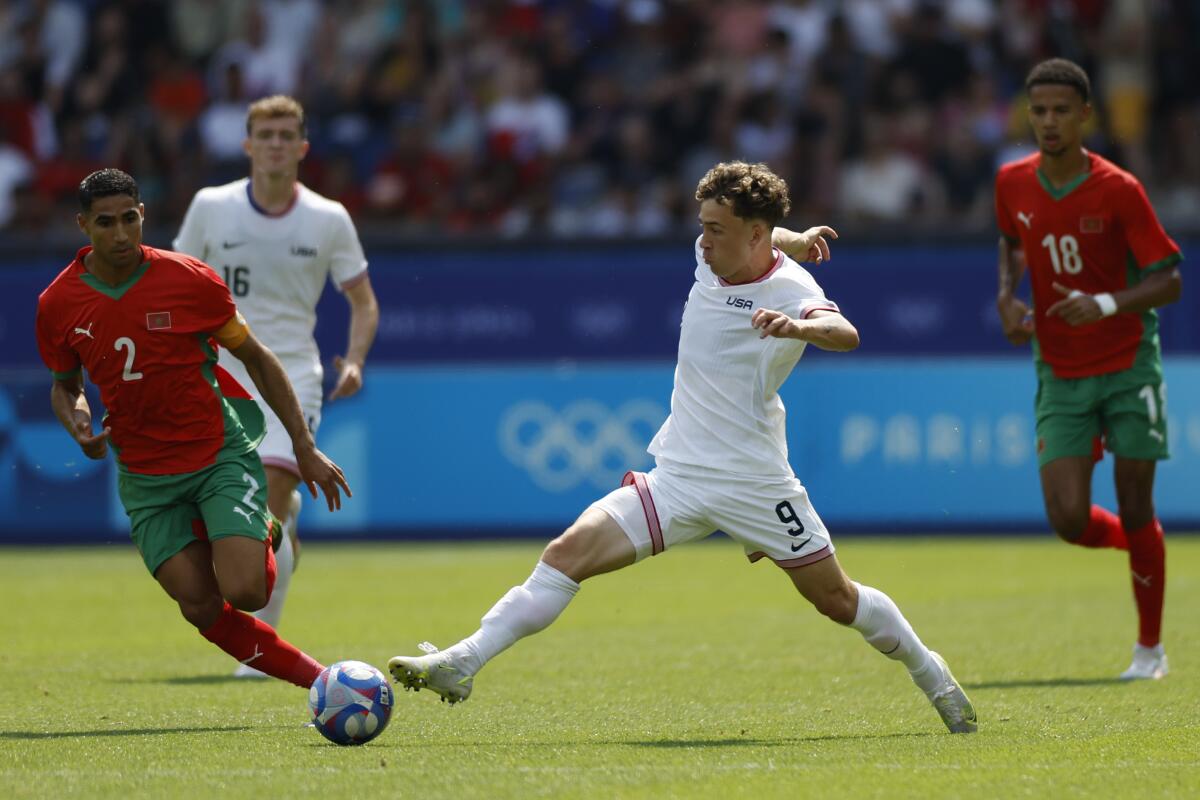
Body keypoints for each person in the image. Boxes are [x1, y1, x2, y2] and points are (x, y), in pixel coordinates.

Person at [388, 161, 978, 734]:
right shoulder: (711, 256)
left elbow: (843, 332)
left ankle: (934, 674)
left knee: (837, 600)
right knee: (566, 554)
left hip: (756, 483)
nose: (702, 239)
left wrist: (799, 326)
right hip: (679, 476)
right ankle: (461, 662)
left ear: (751, 233)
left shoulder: (793, 288)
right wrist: (796, 235)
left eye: (715, 228)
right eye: (702, 224)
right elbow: (764, 236)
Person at [35, 168, 350, 689]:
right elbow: (65, 385)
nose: (120, 234)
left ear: (144, 216)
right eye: (106, 222)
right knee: (200, 604)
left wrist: (302, 445)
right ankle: (321, 682)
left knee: (247, 591)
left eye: (129, 219)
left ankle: (269, 523)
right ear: (83, 225)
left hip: (215, 454)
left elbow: (258, 358)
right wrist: (79, 424)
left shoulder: (189, 280)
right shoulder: (58, 304)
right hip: (146, 478)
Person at [174, 95, 379, 676]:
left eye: (287, 134)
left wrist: (356, 360)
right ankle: (278, 550)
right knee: (232, 524)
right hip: (217, 376)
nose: (276, 143)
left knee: (270, 500)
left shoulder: (328, 218)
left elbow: (362, 301)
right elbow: (172, 285)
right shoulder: (211, 208)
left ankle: (262, 653)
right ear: (247, 144)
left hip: (290, 378)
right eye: (265, 134)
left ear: (303, 147)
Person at [994, 58, 1183, 680]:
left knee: (1135, 502)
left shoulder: (1119, 189)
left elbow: (1169, 281)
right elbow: (1012, 241)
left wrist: (1102, 303)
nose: (1048, 122)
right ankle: (1145, 549)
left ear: (1085, 116)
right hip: (1060, 365)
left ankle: (1149, 650)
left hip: (1128, 363)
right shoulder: (1013, 183)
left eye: (1060, 111)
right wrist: (1007, 296)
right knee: (1068, 520)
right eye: (1039, 111)